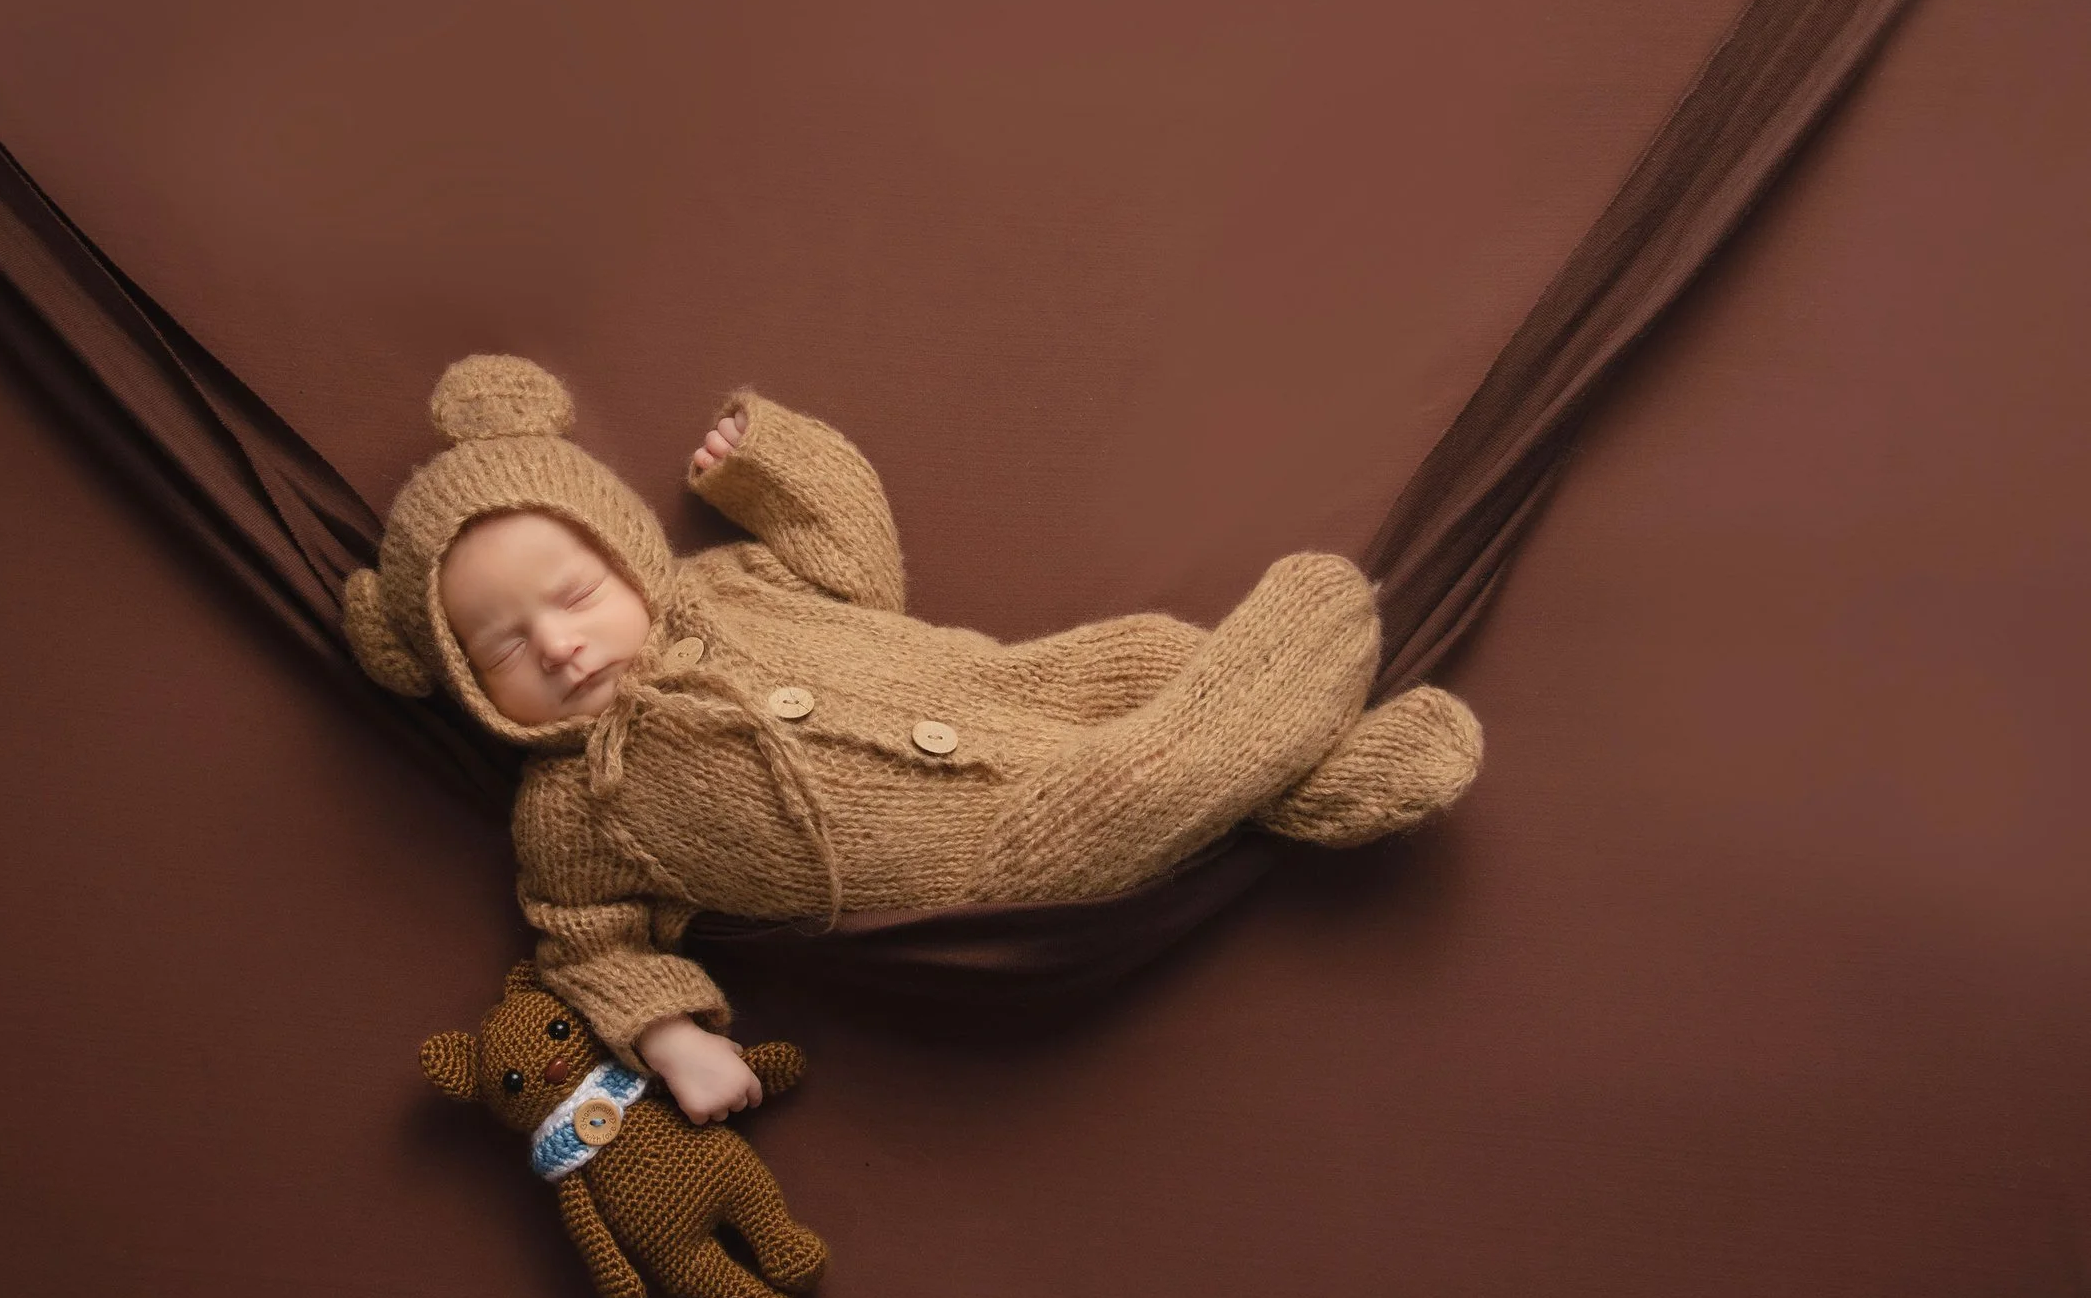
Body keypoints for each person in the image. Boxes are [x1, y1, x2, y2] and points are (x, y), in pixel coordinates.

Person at [344, 355, 1482, 1124]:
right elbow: (584, 943)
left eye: (576, 592)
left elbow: (854, 562)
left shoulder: (732, 584)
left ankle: (1317, 776)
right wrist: (674, 1037)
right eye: (499, 646)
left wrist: (766, 463)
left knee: (1144, 658)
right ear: (459, 681)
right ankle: (1322, 626)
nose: (555, 644)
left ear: (627, 552)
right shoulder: (574, 807)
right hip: (990, 863)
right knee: (1140, 785)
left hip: (1014, 686)